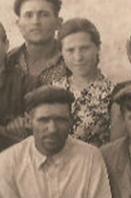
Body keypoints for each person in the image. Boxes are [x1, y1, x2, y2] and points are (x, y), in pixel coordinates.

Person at [44, 18, 113, 147]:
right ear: (61, 53)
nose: (78, 57)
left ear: (97, 48)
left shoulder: (113, 92)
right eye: (70, 50)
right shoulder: (52, 90)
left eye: (84, 48)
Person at [6, 0, 66, 83]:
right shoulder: (8, 61)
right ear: (18, 24)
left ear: (58, 23)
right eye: (28, 15)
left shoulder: (72, 59)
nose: (35, 22)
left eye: (44, 15)